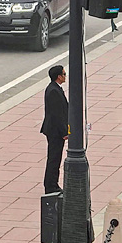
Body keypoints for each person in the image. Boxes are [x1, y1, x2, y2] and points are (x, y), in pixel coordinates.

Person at [41, 65, 68, 194]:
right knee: (54, 158)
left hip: (54, 129)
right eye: (64, 74)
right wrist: (64, 132)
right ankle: (51, 184)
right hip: (55, 131)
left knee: (55, 157)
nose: (65, 76)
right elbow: (57, 114)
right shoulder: (54, 91)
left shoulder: (55, 89)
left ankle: (52, 183)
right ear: (59, 76)